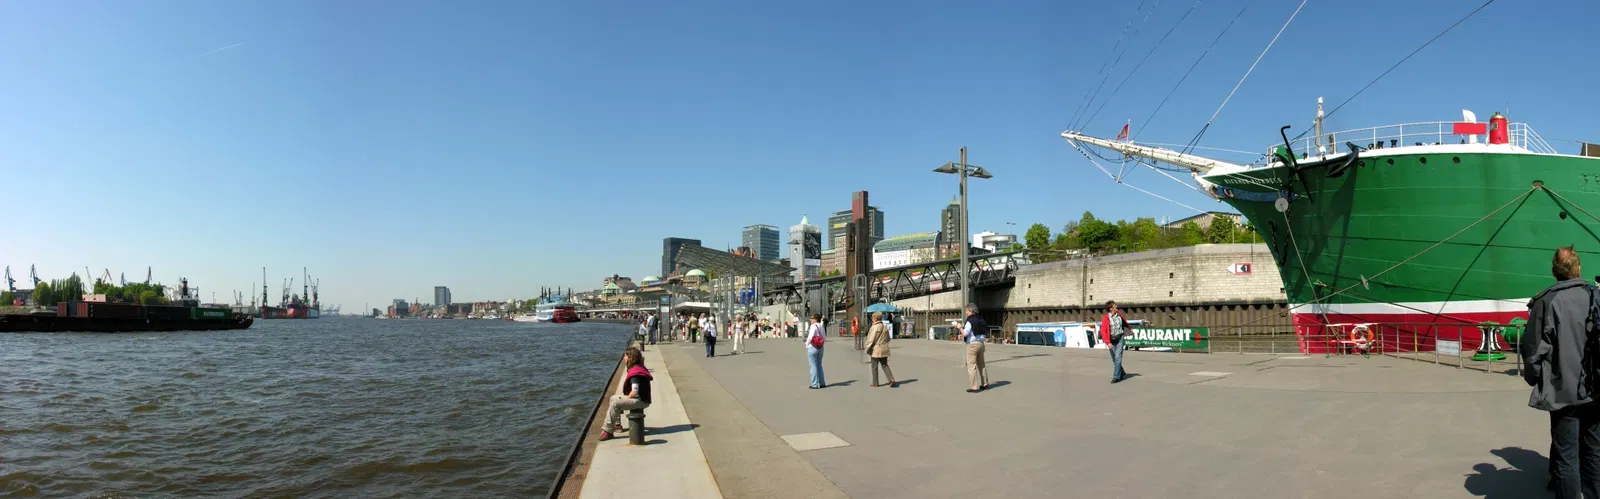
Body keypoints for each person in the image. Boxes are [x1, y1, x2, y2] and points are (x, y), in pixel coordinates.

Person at [1520, 246, 1600, 498]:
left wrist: (1535, 378)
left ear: (1555, 271)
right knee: (1594, 451)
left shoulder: (1547, 301)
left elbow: (1532, 348)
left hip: (1564, 390)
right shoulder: (1596, 296)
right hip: (1596, 388)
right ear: (1578, 269)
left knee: (1566, 456)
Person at [598, 347, 652, 441]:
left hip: (641, 400)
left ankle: (607, 431)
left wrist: (626, 399)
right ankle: (617, 425)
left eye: (625, 356)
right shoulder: (638, 367)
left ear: (631, 358)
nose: (624, 358)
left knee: (616, 403)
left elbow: (634, 391)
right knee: (613, 398)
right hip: (640, 397)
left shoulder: (635, 373)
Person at [1100, 301, 1131, 383]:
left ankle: (1116, 377)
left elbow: (1125, 323)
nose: (1116, 306)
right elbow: (1103, 331)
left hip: (1120, 338)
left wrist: (1127, 332)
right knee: (1115, 359)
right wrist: (1107, 342)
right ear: (1110, 308)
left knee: (1118, 358)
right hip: (1111, 340)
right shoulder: (1106, 318)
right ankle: (1122, 373)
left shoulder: (1119, 314)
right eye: (1114, 305)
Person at [864, 312, 896, 388]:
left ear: (875, 318)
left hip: (876, 349)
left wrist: (867, 348)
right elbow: (888, 338)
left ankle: (875, 383)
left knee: (874, 366)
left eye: (872, 317)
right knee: (885, 365)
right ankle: (891, 379)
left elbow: (871, 340)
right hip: (884, 348)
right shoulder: (884, 327)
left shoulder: (874, 327)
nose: (872, 319)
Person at [963, 304, 989, 393]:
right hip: (981, 344)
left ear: (971, 311)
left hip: (972, 345)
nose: (966, 313)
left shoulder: (970, 320)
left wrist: (959, 328)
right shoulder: (981, 319)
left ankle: (974, 387)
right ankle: (985, 383)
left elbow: (965, 333)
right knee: (981, 365)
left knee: (971, 366)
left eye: (967, 311)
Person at [806, 313, 827, 389]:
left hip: (813, 347)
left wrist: (807, 344)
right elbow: (824, 337)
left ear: (815, 319)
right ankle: (822, 383)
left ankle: (814, 384)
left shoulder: (813, 326)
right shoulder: (821, 326)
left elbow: (810, 337)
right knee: (819, 365)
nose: (810, 319)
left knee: (813, 365)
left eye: (811, 318)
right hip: (820, 347)